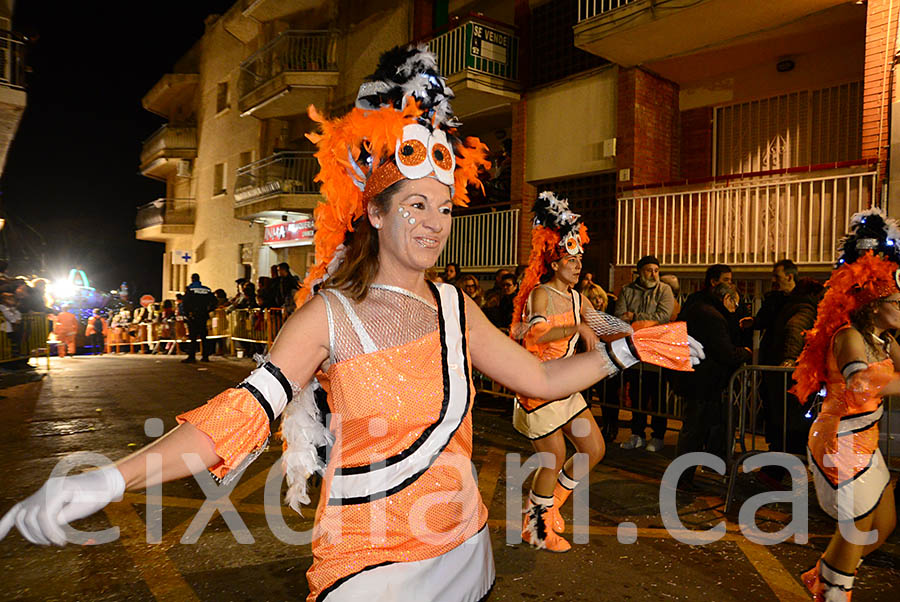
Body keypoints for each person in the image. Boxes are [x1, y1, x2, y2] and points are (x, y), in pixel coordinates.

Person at [0, 46, 700, 601]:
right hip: (368, 569)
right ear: (373, 211)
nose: (433, 224)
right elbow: (237, 417)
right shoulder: (326, 315)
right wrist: (105, 480)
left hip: (465, 553)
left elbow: (542, 374)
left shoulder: (455, 307)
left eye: (444, 207)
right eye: (414, 206)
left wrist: (631, 348)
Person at [510, 192, 695, 552]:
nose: (578, 265)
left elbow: (606, 323)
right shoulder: (542, 295)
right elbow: (533, 334)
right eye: (571, 259)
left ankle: (551, 507)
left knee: (593, 448)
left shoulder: (578, 299)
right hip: (538, 389)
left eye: (580, 259)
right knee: (554, 458)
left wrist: (648, 335)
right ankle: (534, 525)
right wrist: (574, 330)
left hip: (566, 387)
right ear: (555, 262)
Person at [790, 210, 898, 601]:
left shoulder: (885, 338)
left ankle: (825, 572)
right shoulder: (849, 336)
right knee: (856, 529)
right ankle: (833, 590)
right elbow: (861, 381)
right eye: (897, 302)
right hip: (841, 441)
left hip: (866, 440)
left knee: (882, 526)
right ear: (873, 301)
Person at [672, 282, 751, 489]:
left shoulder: (698, 308)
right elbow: (725, 352)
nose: (736, 310)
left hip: (695, 378)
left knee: (698, 428)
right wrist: (745, 352)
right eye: (736, 304)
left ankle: (690, 473)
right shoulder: (713, 317)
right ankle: (683, 477)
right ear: (727, 299)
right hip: (703, 382)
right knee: (695, 431)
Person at [614, 255, 675, 452]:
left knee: (656, 395)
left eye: (656, 270)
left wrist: (635, 317)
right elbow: (619, 317)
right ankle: (637, 433)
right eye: (649, 270)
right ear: (639, 272)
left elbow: (663, 317)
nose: (653, 274)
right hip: (634, 351)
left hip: (656, 350)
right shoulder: (627, 290)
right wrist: (635, 321)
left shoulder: (664, 290)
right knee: (637, 394)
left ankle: (658, 435)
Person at [181, 278, 216, 363]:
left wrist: (187, 314)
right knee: (204, 336)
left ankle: (192, 357)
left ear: (192, 279)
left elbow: (185, 303)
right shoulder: (206, 289)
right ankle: (205, 356)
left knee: (193, 337)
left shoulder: (190, 289)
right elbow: (214, 301)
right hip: (203, 315)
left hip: (193, 316)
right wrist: (208, 310)